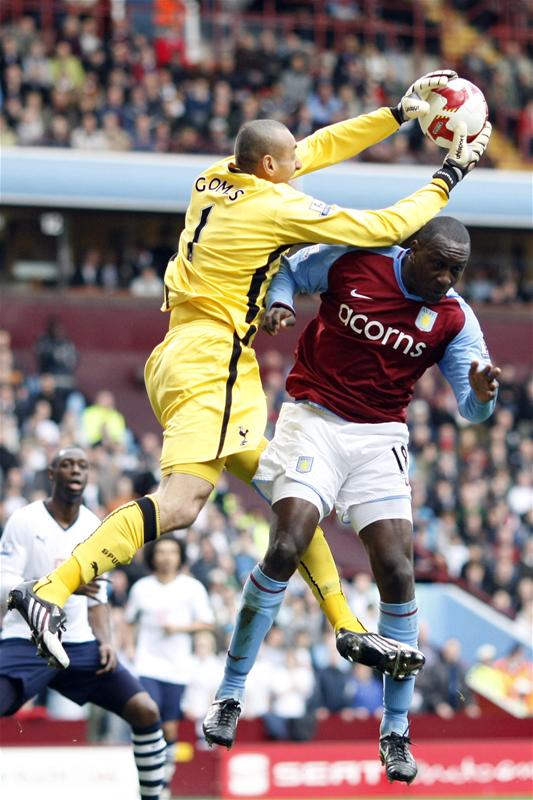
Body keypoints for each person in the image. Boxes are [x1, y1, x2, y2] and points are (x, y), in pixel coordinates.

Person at [9, 71, 491, 675]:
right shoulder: (277, 207)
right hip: (214, 361)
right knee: (182, 505)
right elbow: (386, 229)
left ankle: (346, 625)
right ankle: (49, 592)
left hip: (186, 351)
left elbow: (315, 148)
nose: (301, 162)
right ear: (269, 166)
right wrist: (450, 174)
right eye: (289, 160)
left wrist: (394, 114)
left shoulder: (217, 175)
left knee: (289, 491)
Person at [202, 216, 500, 784]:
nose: (445, 277)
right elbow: (290, 267)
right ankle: (231, 693)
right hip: (312, 417)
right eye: (437, 262)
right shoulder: (355, 257)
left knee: (397, 570)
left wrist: (484, 396)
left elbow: (473, 407)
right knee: (287, 543)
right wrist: (283, 302)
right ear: (411, 247)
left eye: (455, 269)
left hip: (379, 436)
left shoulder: (457, 319)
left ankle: (394, 731)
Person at [0, 447, 166, 800]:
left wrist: (105, 640)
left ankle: (155, 797)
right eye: (66, 464)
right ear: (51, 473)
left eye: (82, 466)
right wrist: (64, 581)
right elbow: (5, 586)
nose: (75, 471)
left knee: (145, 710)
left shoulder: (95, 525)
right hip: (27, 639)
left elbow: (98, 597)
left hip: (79, 643)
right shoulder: (24, 520)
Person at [124, 536, 215, 795]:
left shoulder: (192, 587)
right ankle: (150, 780)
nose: (166, 557)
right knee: (149, 715)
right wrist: (129, 646)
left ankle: (165, 780)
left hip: (177, 667)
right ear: (153, 556)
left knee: (170, 726)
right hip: (147, 664)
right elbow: (129, 620)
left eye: (172, 552)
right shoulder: (142, 587)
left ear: (180, 556)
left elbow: (207, 622)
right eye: (161, 552)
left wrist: (179, 628)